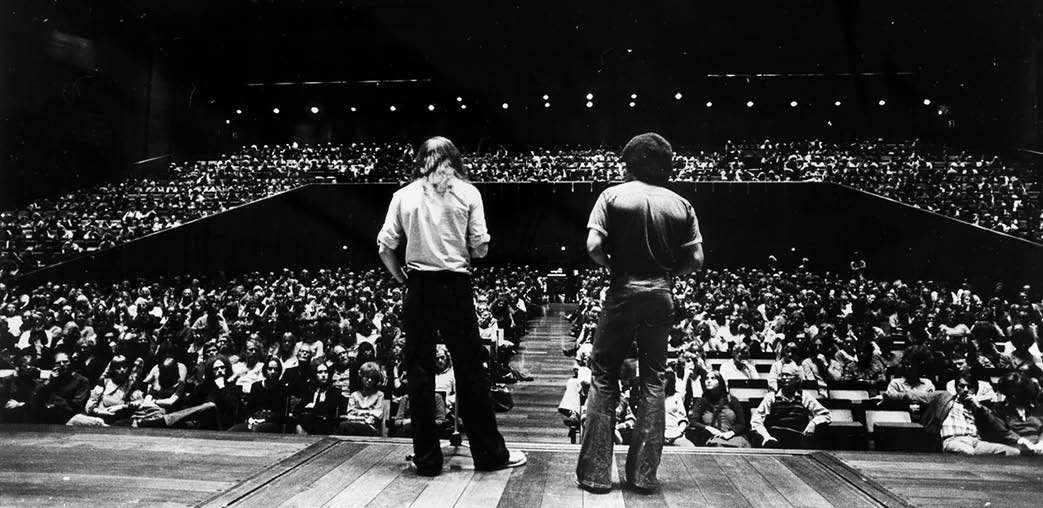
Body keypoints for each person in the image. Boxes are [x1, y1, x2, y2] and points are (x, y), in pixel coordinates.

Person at [376, 136, 524, 476]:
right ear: (455, 160)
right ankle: (489, 455)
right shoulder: (468, 193)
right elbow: (481, 249)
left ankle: (427, 460)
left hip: (418, 286)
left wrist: (404, 279)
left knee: (419, 372)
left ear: (419, 161)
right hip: (455, 286)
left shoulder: (403, 196)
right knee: (471, 371)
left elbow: (385, 248)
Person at [576, 132, 704, 494]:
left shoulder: (612, 196)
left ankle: (596, 475)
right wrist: (668, 274)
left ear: (630, 164)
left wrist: (612, 266)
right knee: (653, 380)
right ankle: (644, 476)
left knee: (604, 377)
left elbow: (593, 245)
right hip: (660, 294)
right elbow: (696, 259)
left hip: (622, 289)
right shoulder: (681, 204)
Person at [750, 363, 831, 449]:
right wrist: (766, 437)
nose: (784, 378)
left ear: (797, 379)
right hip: (775, 440)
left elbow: (825, 414)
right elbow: (756, 421)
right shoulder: (771, 397)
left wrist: (813, 423)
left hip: (797, 441)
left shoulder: (804, 396)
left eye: (788, 375)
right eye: (782, 375)